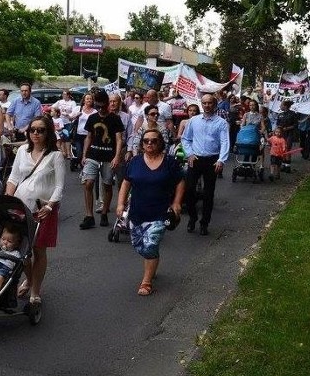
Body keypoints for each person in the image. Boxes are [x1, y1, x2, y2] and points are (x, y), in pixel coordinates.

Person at [5, 115, 66, 306]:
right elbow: (13, 178)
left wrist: (50, 206)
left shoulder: (55, 156)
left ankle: (35, 290)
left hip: (42, 210)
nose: (36, 134)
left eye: (41, 130)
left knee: (39, 251)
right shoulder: (22, 150)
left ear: (48, 133)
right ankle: (30, 279)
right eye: (33, 130)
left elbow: (59, 186)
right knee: (20, 249)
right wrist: (8, 200)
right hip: (20, 208)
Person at [116, 129, 184, 296]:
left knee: (150, 244)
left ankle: (146, 282)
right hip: (137, 212)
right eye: (146, 141)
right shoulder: (135, 162)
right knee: (140, 245)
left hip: (160, 213)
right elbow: (126, 183)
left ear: (160, 142)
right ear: (142, 143)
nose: (149, 143)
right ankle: (152, 261)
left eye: (153, 141)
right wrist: (120, 204)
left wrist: (176, 203)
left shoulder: (170, 162)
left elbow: (180, 181)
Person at [180, 93, 230, 236]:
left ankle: (204, 223)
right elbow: (186, 139)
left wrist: (221, 159)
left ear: (215, 105)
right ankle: (193, 217)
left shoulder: (221, 123)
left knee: (208, 194)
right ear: (201, 104)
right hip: (195, 159)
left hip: (211, 160)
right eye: (204, 103)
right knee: (189, 190)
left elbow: (225, 142)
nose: (207, 105)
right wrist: (189, 153)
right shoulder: (194, 121)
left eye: (210, 103)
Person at [79, 89, 125, 229]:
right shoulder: (92, 118)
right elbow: (88, 137)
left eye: (102, 106)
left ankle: (104, 212)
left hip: (108, 157)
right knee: (88, 183)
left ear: (107, 104)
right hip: (93, 155)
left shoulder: (115, 119)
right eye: (97, 106)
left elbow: (119, 139)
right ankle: (89, 216)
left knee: (107, 185)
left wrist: (117, 156)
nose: (100, 109)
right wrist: (84, 155)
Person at [70, 93, 96, 168]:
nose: (89, 100)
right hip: (78, 135)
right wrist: (76, 115)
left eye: (90, 99)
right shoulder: (78, 108)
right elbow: (70, 118)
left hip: (89, 135)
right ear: (84, 100)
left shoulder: (95, 111)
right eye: (87, 99)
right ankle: (76, 161)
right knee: (79, 153)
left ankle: (84, 168)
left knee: (87, 153)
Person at [275, 99, 298, 172]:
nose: (280, 106)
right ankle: (284, 164)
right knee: (282, 149)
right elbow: (278, 124)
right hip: (281, 134)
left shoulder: (293, 114)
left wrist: (287, 128)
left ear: (285, 106)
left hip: (290, 134)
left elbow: (295, 125)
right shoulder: (280, 114)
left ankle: (288, 166)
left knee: (287, 148)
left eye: (281, 105)